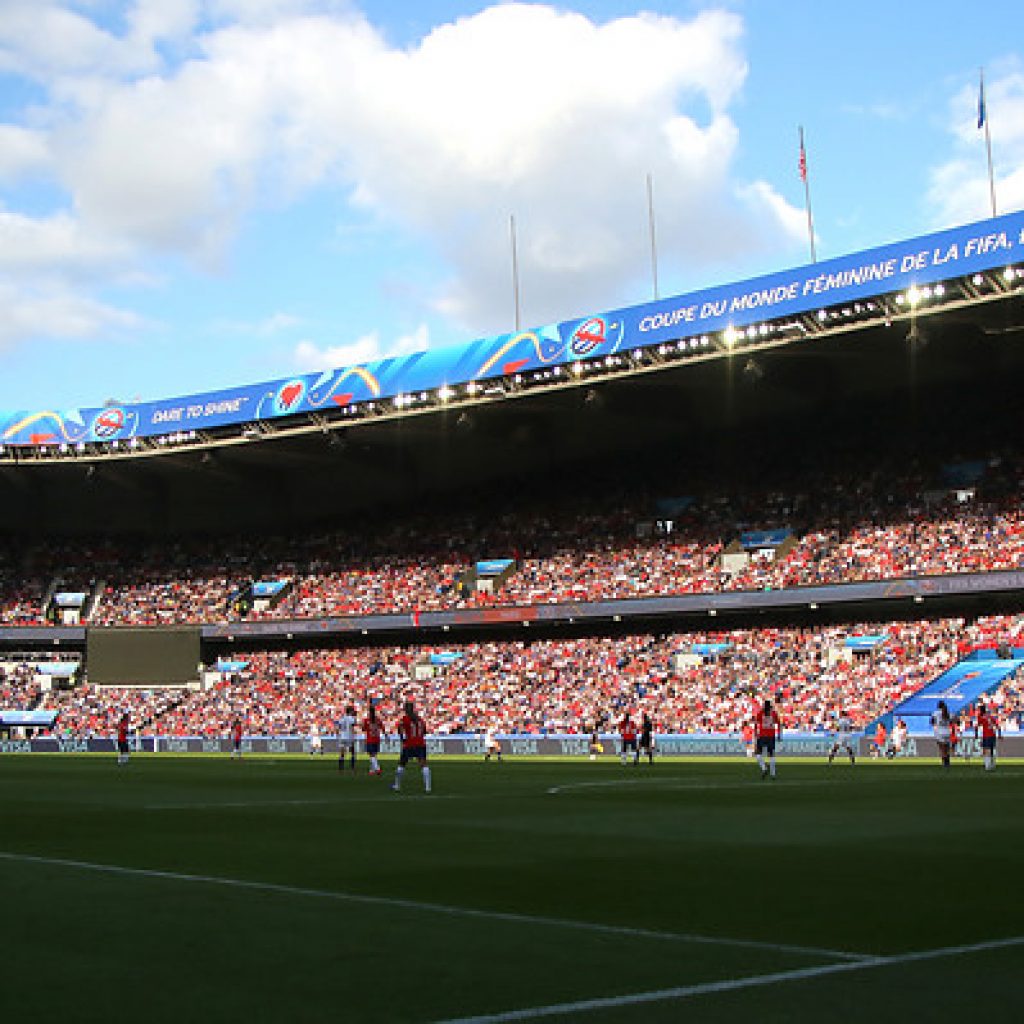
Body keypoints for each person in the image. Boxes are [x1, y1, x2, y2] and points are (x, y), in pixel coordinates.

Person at [391, 700, 431, 793]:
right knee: (424, 765)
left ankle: (397, 785)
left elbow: (400, 730)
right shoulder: (420, 719)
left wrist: (402, 740)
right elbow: (424, 731)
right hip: (421, 744)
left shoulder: (405, 719)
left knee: (402, 765)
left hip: (409, 744)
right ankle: (428, 787)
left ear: (405, 709)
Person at [753, 699, 782, 779]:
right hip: (771, 736)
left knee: (758, 753)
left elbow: (756, 724)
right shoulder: (773, 713)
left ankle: (764, 768)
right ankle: (773, 774)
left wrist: (756, 733)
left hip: (762, 735)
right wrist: (779, 734)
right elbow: (779, 724)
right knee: (771, 754)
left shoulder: (760, 713)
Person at [976, 703, 1001, 771]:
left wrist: (976, 735)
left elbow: (976, 726)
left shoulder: (980, 717)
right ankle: (993, 764)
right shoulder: (990, 717)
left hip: (986, 735)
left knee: (986, 750)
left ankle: (987, 765)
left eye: (979, 710)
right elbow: (998, 727)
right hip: (993, 735)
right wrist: (999, 735)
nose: (978, 711)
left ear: (981, 710)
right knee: (992, 750)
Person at [363, 704, 384, 775]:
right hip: (377, 739)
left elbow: (364, 729)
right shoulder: (377, 719)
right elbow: (382, 727)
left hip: (370, 739)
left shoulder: (367, 720)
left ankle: (377, 768)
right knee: (374, 755)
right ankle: (372, 770)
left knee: (371, 755)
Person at [931, 700, 952, 769]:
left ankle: (945, 763)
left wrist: (935, 726)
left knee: (942, 749)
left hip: (939, 732)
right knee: (947, 748)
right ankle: (947, 761)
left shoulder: (935, 713)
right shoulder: (948, 712)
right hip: (947, 731)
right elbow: (954, 720)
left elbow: (932, 721)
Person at [337, 704, 357, 772]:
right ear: (350, 711)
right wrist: (354, 736)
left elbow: (339, 727)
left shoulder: (342, 718)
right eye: (352, 711)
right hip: (349, 736)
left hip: (342, 736)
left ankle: (341, 768)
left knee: (342, 753)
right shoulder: (352, 718)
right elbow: (352, 727)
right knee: (352, 752)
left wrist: (339, 734)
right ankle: (352, 768)